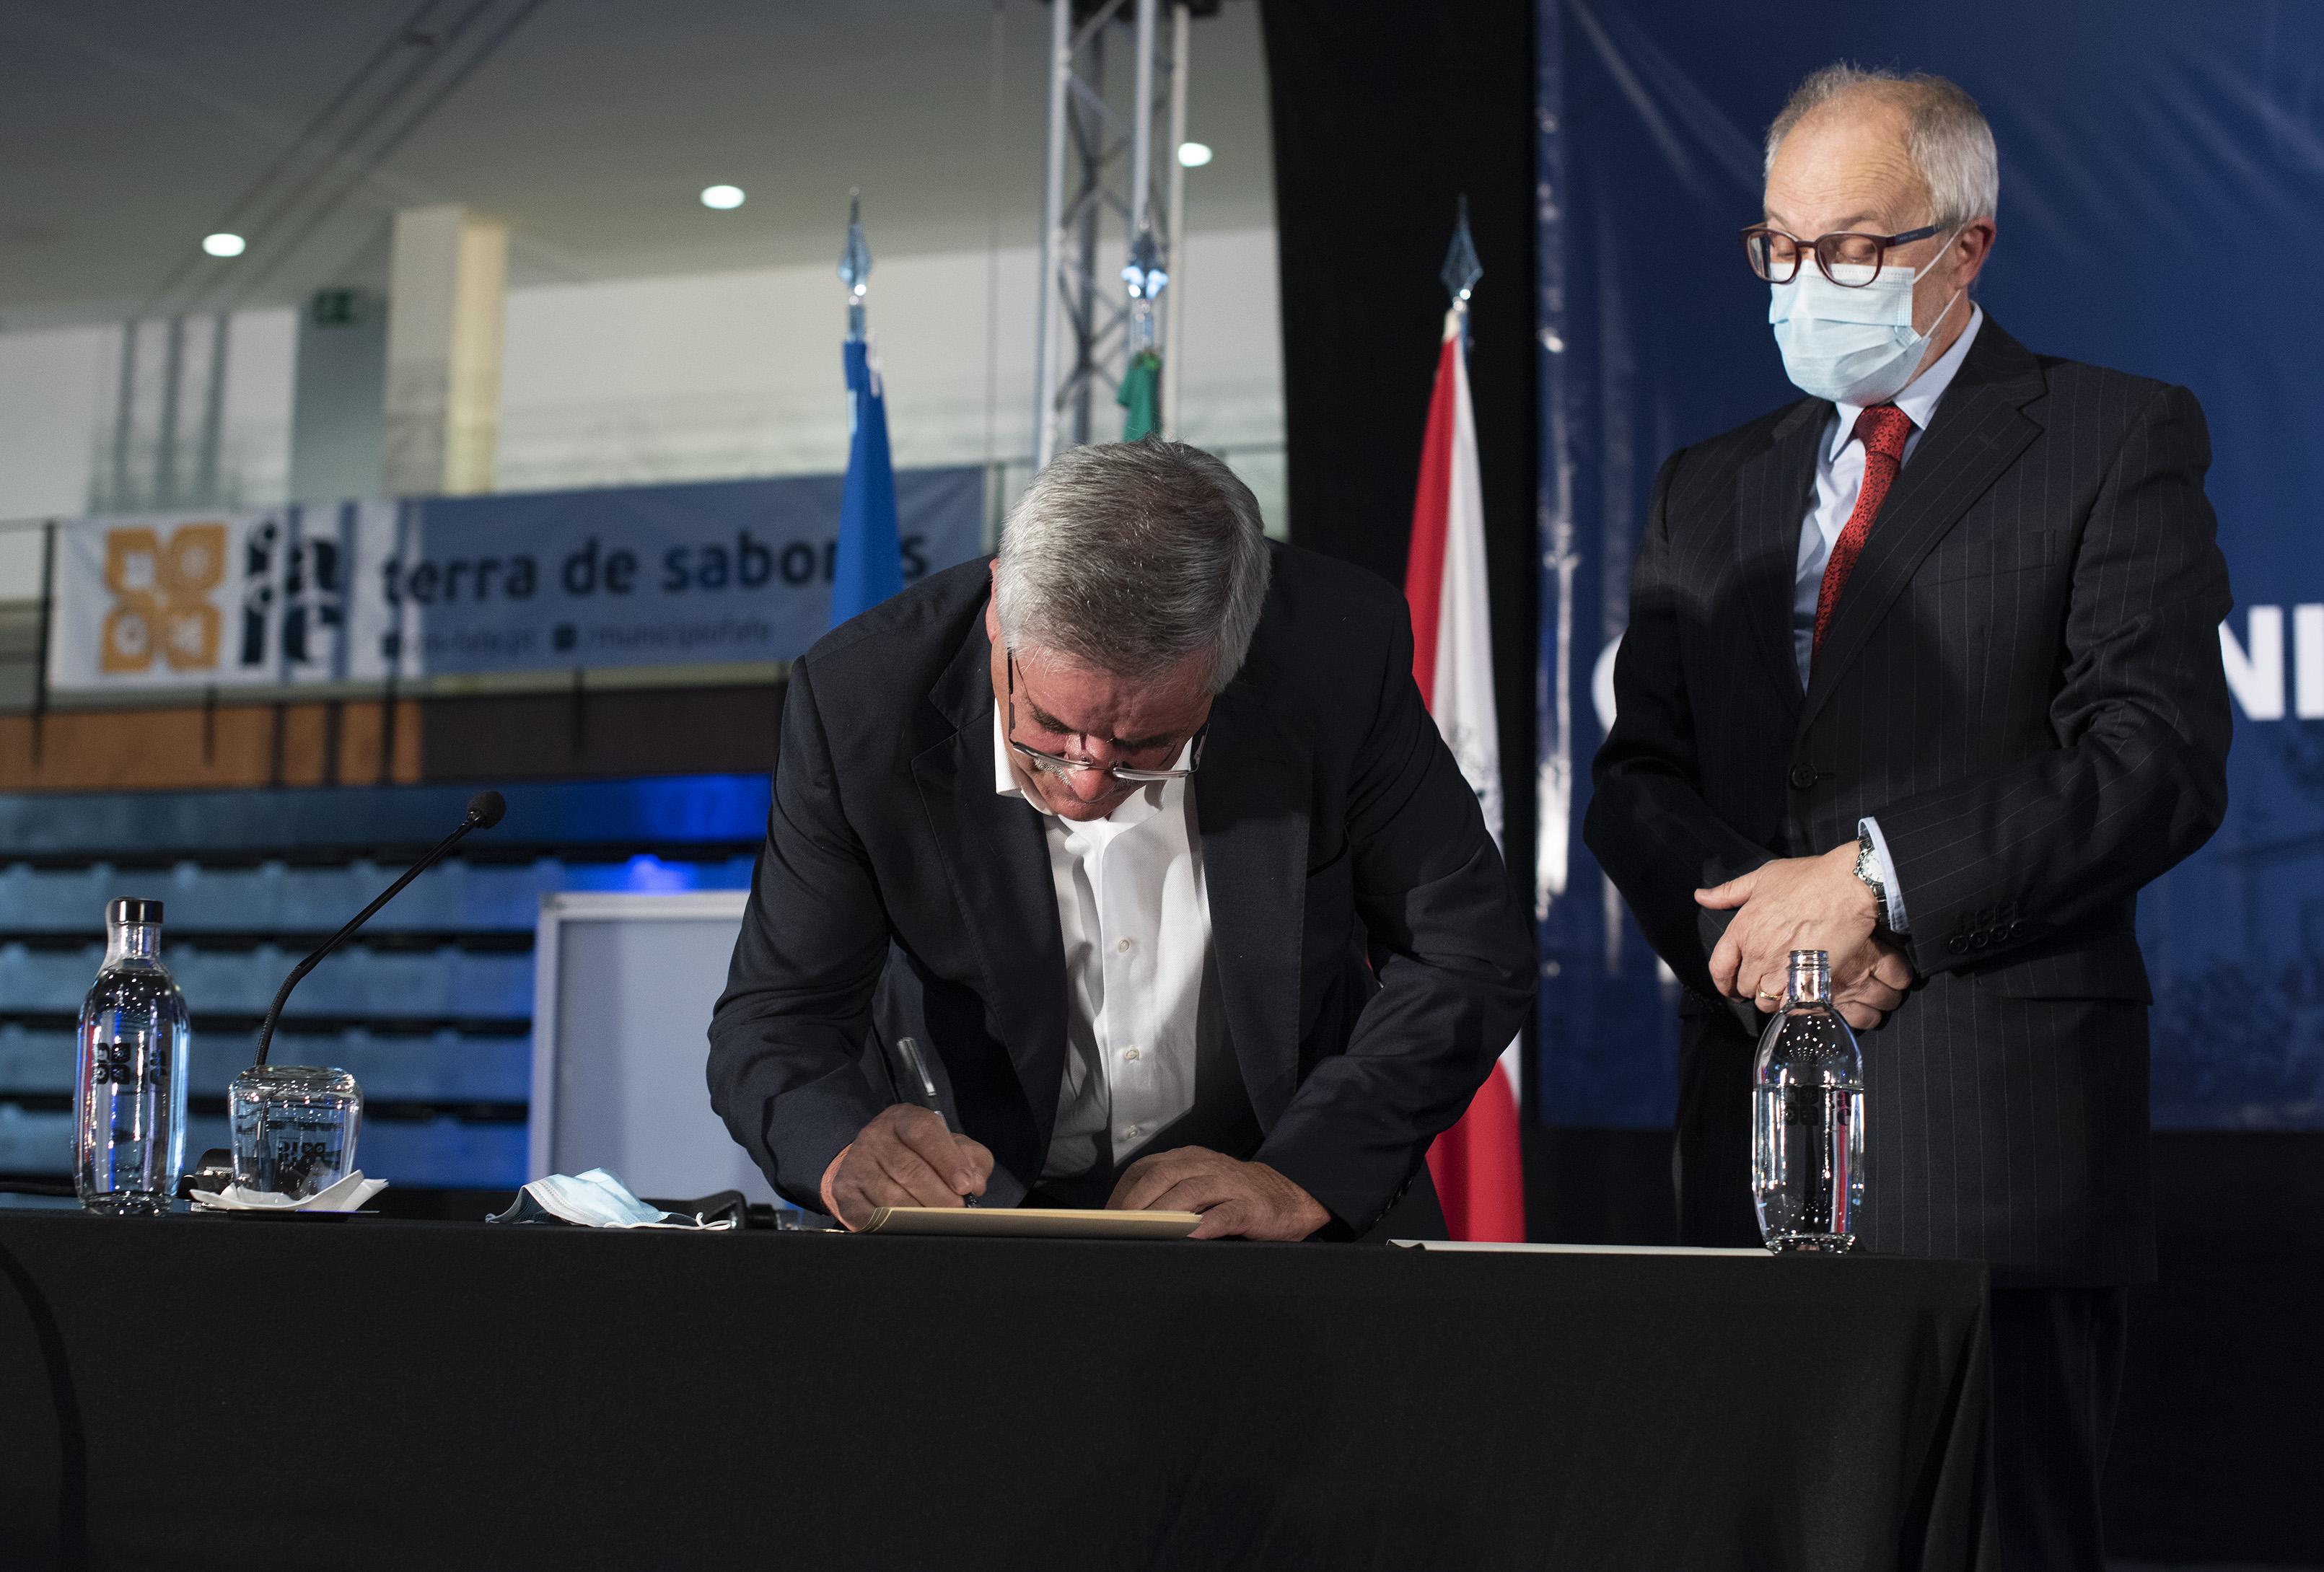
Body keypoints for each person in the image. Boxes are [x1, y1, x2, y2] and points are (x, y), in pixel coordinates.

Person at [1584, 65, 2231, 1571]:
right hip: (1749, 1138)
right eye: (1779, 245)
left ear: (1964, 245)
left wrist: (1874, 886)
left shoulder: (2107, 435)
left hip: (1989, 1145)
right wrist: (1772, 940)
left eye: (1853, 247)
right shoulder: (1705, 486)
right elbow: (1638, 781)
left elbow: (2153, 758)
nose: (1807, 280)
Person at [710, 438, 1534, 1242]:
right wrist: (842, 1150)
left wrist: (1305, 1173)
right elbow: (778, 1016)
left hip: (1274, 1206)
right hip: (967, 1223)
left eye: (1147, 746)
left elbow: (1465, 951)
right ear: (998, 613)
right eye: (1046, 727)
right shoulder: (862, 701)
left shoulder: (1333, 657)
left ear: (1228, 664)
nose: (1085, 784)